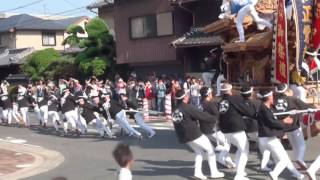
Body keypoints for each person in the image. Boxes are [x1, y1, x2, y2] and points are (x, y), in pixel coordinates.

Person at [172, 89, 224, 179]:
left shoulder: (175, 109)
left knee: (199, 152)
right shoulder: (187, 107)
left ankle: (198, 172)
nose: (188, 96)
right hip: (193, 133)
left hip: (183, 136)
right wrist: (214, 119)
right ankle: (214, 172)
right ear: (184, 97)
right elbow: (201, 115)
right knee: (210, 149)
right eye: (187, 95)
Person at [256, 89, 304, 180]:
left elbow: (272, 119)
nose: (273, 97)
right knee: (283, 160)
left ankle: (298, 174)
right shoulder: (264, 109)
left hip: (266, 138)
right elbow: (272, 122)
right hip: (269, 139)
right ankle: (274, 173)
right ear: (269, 97)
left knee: (284, 157)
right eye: (272, 96)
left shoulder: (265, 107)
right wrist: (284, 121)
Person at [218, 83, 256, 180]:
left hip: (225, 130)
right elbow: (249, 112)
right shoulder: (235, 99)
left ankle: (239, 170)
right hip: (236, 128)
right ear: (231, 90)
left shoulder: (221, 102)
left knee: (240, 149)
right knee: (244, 150)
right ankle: (239, 175)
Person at [273, 83, 313, 169]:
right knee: (302, 145)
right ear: (286, 91)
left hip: (284, 128)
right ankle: (300, 159)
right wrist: (313, 108)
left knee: (294, 146)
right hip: (294, 126)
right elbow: (306, 107)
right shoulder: (293, 99)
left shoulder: (274, 102)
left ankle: (299, 163)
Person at [199, 87, 235, 169]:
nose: (212, 94)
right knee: (227, 143)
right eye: (211, 93)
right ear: (208, 94)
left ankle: (227, 160)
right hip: (213, 129)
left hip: (204, 129)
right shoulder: (210, 104)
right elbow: (218, 115)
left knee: (223, 144)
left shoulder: (201, 103)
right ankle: (221, 159)